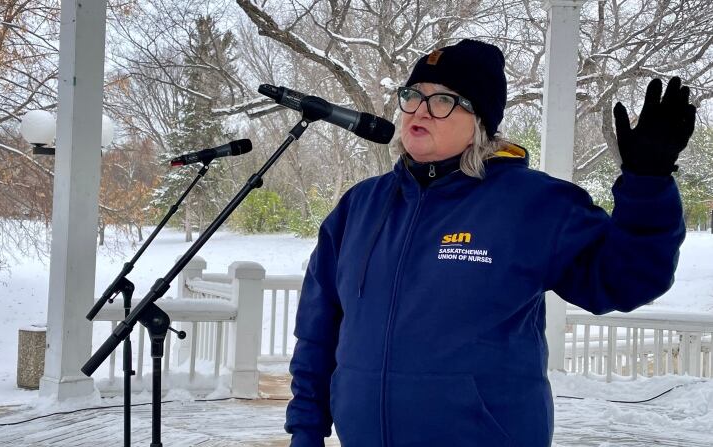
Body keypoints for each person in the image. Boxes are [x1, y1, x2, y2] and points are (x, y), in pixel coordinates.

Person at [283, 39, 696, 447]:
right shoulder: (361, 206)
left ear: (479, 120)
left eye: (442, 100)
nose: (419, 111)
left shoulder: (533, 203)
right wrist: (305, 430)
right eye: (413, 96)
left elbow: (626, 280)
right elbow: (319, 330)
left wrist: (648, 181)